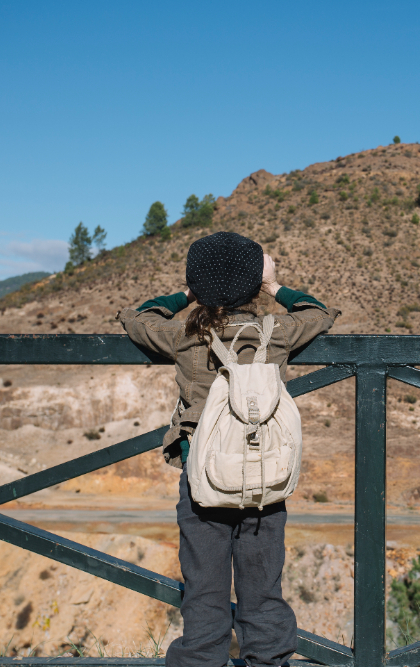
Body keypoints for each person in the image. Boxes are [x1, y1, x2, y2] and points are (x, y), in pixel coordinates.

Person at [118, 231, 339, 667]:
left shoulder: (182, 334)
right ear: (254, 283)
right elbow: (319, 312)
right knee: (263, 591)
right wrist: (274, 285)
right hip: (264, 481)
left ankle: (202, 659)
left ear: (198, 284)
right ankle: (270, 660)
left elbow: (136, 316)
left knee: (204, 591)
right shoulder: (277, 333)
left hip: (203, 484)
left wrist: (185, 293)